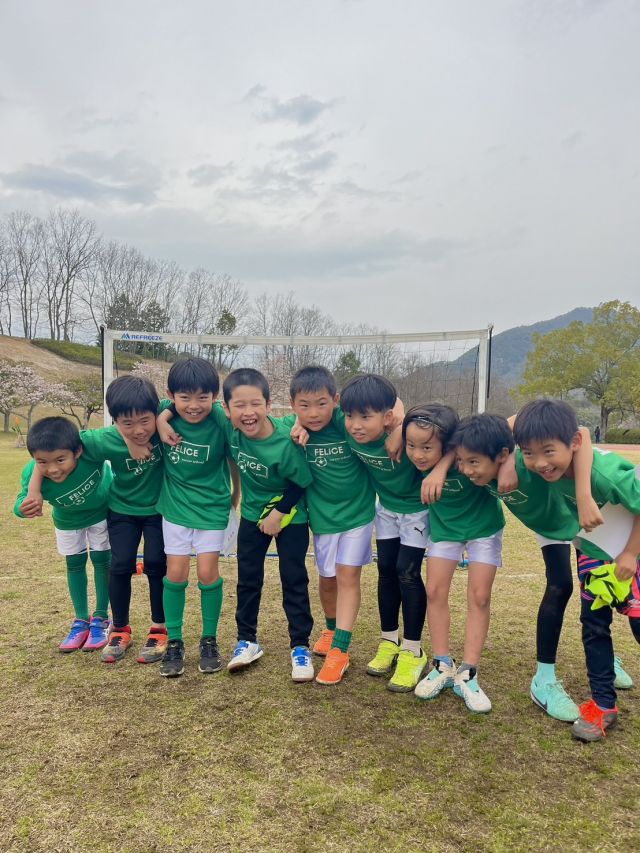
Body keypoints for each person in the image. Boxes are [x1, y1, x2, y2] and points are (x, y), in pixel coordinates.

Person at [450, 412, 635, 721]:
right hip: (551, 527)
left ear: (504, 453)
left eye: (471, 462)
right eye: (460, 462)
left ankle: (607, 659)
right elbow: (450, 451)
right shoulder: (473, 466)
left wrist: (581, 493)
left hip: (580, 519)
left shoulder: (525, 459)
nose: (465, 468)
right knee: (560, 584)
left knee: (602, 590)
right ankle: (544, 680)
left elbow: (582, 433)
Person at [514, 399, 640, 742]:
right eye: (529, 453)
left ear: (572, 444)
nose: (540, 463)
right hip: (596, 556)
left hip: (632, 552)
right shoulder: (545, 466)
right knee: (594, 626)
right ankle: (603, 704)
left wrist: (630, 553)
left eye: (548, 451)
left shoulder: (604, 474)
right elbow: (508, 425)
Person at [404, 404, 505, 713]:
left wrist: (446, 463)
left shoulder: (467, 457)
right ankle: (442, 665)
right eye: (412, 446)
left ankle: (469, 672)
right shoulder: (421, 457)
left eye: (427, 448)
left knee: (479, 596)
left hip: (483, 529)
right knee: (434, 591)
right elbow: (396, 422)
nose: (419, 454)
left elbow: (510, 425)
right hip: (445, 531)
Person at [338, 374, 432, 692]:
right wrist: (299, 426)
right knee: (385, 570)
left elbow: (435, 424)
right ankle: (389, 641)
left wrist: (403, 427)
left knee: (408, 573)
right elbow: (319, 416)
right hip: (386, 511)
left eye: (366, 417)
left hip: (418, 511)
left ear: (387, 417)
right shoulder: (348, 429)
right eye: (351, 416)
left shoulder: (409, 433)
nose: (356, 425)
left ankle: (413, 650)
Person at [221, 368, 315, 682]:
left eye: (255, 404)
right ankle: (247, 641)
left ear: (269, 405)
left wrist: (279, 513)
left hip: (291, 515)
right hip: (251, 514)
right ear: (227, 409)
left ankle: (300, 646)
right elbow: (173, 407)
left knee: (293, 578)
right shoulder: (229, 430)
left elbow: (301, 482)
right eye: (239, 405)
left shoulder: (286, 441)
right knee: (248, 579)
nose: (248, 413)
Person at [286, 366, 376, 685]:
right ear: (293, 404)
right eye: (304, 406)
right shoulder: (291, 428)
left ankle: (341, 650)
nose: (314, 413)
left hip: (358, 514)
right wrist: (295, 424)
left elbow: (388, 408)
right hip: (322, 518)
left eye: (321, 403)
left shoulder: (344, 421)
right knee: (327, 579)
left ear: (335, 401)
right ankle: (330, 627)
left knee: (347, 575)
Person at [154, 357, 234, 678]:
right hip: (175, 508)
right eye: (185, 397)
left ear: (214, 396)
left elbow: (238, 429)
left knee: (206, 572)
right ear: (172, 394)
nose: (193, 405)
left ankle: (209, 639)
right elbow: (159, 405)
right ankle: (174, 642)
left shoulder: (218, 421)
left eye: (203, 397)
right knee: (175, 573)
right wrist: (162, 418)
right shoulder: (166, 410)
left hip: (212, 509)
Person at [79, 375, 168, 664]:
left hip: (159, 511)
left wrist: (163, 421)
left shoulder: (164, 422)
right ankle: (120, 628)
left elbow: (184, 404)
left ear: (155, 412)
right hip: (122, 511)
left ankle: (159, 628)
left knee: (156, 564)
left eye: (145, 421)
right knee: (119, 565)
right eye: (127, 423)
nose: (139, 430)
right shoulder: (103, 439)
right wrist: (125, 439)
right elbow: (60, 443)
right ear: (114, 420)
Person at [14, 416, 112, 652]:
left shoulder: (90, 452)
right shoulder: (32, 474)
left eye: (60, 459)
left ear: (77, 451)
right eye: (43, 462)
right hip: (67, 521)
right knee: (75, 564)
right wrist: (22, 508)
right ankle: (81, 620)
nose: (53, 469)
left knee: (102, 561)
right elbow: (21, 500)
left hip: (102, 513)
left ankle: (101, 618)